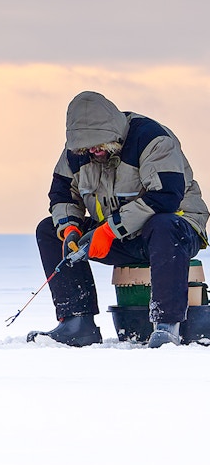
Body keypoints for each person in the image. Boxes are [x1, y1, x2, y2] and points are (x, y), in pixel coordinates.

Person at [32, 91, 209, 348]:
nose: (92, 150)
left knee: (164, 225)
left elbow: (166, 198)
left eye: (97, 143)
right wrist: (69, 227)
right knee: (49, 229)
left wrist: (109, 231)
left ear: (114, 132)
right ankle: (77, 322)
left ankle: (166, 325)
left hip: (174, 232)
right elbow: (61, 195)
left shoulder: (152, 139)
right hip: (118, 236)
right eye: (85, 146)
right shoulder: (76, 153)